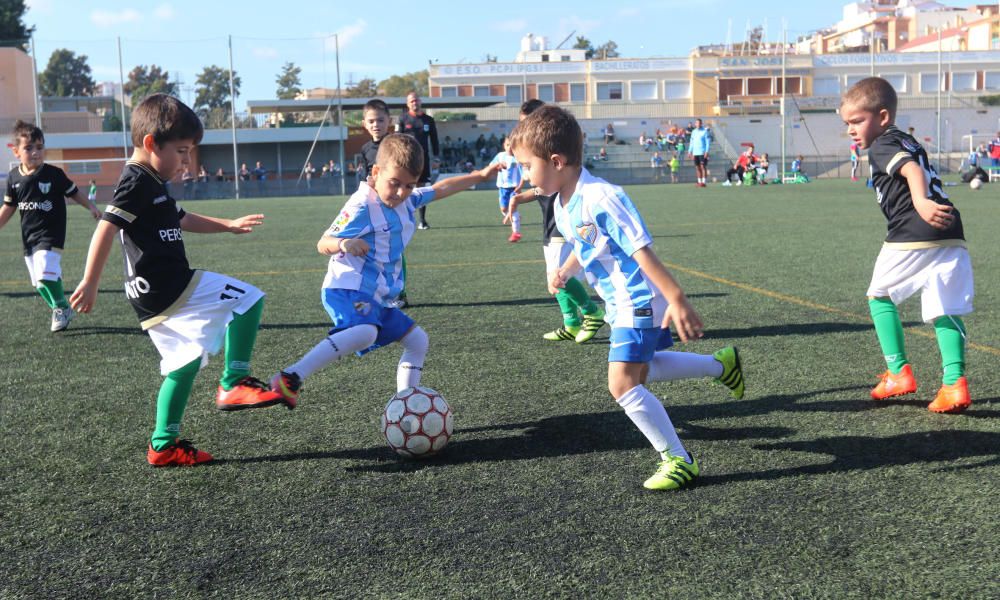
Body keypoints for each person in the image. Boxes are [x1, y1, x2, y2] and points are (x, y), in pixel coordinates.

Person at [509, 105, 745, 490]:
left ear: (556, 160)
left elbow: (641, 251)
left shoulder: (602, 197)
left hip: (637, 299)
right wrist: (568, 269)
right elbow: (583, 242)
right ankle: (721, 366)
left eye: (526, 166)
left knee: (621, 383)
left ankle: (678, 459)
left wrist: (677, 297)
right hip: (619, 302)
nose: (524, 176)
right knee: (643, 369)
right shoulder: (563, 201)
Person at [69, 94, 289, 467]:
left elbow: (182, 218)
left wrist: (228, 226)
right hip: (167, 284)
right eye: (183, 151)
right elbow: (106, 229)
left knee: (183, 364)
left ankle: (163, 445)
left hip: (150, 299)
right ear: (152, 143)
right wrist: (90, 282)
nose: (187, 160)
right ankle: (234, 381)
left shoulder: (152, 180)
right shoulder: (136, 181)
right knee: (249, 299)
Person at [268, 134, 500, 407]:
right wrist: (345, 242)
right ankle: (290, 377)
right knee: (366, 332)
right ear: (375, 172)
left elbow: (442, 188)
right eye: (395, 183)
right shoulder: (361, 205)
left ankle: (407, 403)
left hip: (375, 296)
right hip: (346, 288)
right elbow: (322, 243)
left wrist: (481, 175)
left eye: (409, 185)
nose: (402, 192)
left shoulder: (408, 200)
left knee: (417, 341)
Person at [841, 77, 974, 414]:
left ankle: (899, 372)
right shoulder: (907, 139)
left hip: (913, 230)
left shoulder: (882, 144)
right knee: (945, 306)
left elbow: (912, 171)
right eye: (847, 124)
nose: (851, 130)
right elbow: (914, 163)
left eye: (857, 121)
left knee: (879, 296)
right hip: (949, 229)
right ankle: (954, 384)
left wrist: (921, 202)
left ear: (883, 117)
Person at [502, 99, 606, 344]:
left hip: (561, 225)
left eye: (527, 166)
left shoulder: (581, 192)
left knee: (559, 277)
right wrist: (521, 197)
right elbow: (542, 191)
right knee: (554, 277)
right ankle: (570, 323)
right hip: (550, 222)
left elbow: (594, 240)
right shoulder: (547, 175)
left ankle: (592, 312)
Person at [0, 120, 101, 332]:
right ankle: (61, 308)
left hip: (51, 234)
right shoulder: (14, 177)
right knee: (39, 283)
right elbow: (9, 207)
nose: (35, 152)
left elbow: (73, 192)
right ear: (16, 151)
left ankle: (61, 307)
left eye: (39, 147)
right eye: (29, 148)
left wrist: (91, 207)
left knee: (45, 271)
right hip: (29, 237)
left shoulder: (54, 174)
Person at [358, 98, 409, 308]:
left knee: (395, 249)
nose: (375, 125)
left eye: (380, 120)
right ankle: (377, 291)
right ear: (364, 124)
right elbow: (365, 177)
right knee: (376, 250)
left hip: (395, 204)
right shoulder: (365, 149)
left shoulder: (396, 144)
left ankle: (400, 293)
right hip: (374, 205)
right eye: (371, 121)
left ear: (389, 121)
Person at [396, 91, 439, 229]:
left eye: (416, 100)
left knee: (421, 189)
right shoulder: (402, 119)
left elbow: (434, 140)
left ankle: (422, 221)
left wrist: (436, 157)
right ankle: (403, 219)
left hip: (423, 160)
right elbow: (397, 139)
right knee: (404, 188)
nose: (414, 103)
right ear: (407, 104)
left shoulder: (428, 120)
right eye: (412, 101)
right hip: (406, 160)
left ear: (420, 102)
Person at [490, 137, 522, 242]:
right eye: (508, 145)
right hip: (502, 187)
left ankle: (516, 233)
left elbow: (523, 174)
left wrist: (520, 187)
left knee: (512, 210)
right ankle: (515, 216)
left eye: (512, 145)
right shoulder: (500, 156)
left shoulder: (518, 158)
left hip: (514, 187)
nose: (510, 148)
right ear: (504, 145)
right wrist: (497, 166)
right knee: (504, 209)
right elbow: (491, 166)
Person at [688, 118, 710, 187]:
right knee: (697, 167)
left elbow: (708, 143)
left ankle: (704, 182)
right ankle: (699, 182)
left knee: (703, 167)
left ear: (701, 124)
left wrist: (706, 151)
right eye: (697, 123)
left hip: (702, 152)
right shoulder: (693, 132)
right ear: (695, 124)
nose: (698, 124)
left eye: (699, 123)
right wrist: (689, 151)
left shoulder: (705, 131)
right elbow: (691, 142)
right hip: (695, 152)